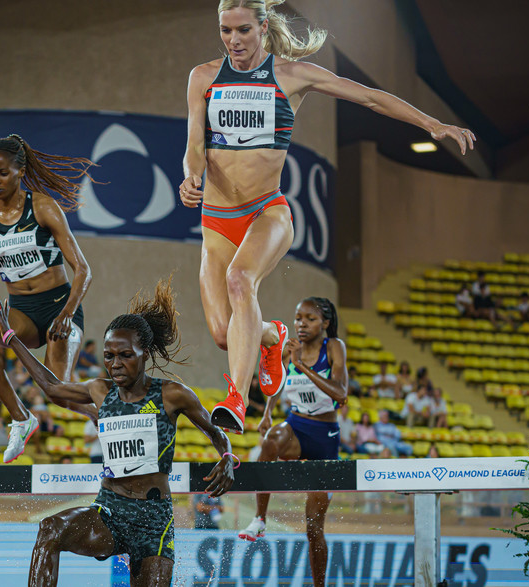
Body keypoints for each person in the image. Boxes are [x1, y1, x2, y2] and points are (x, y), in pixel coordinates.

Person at [182, 0, 475, 433]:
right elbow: (194, 140)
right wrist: (191, 174)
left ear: (263, 27)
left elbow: (371, 98)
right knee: (225, 333)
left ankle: (236, 400)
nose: (233, 41)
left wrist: (430, 123)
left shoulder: (292, 76)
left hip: (267, 211)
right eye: (225, 31)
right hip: (216, 219)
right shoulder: (204, 76)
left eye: (243, 30)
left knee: (240, 280)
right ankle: (273, 337)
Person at [0, 278, 234, 586]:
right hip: (109, 510)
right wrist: (12, 338)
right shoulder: (99, 390)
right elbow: (52, 386)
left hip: (153, 521)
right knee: (49, 529)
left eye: (125, 355)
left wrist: (227, 456)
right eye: (109, 355)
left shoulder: (173, 395)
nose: (115, 364)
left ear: (144, 354)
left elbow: (215, 431)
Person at [0, 133, 98, 463]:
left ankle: (108, 416)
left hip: (58, 307)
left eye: (2, 172)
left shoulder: (42, 207)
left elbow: (83, 269)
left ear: (20, 172)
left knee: (60, 392)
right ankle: (20, 417)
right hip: (21, 313)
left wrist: (68, 313)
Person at [237, 297, 347, 587]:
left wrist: (303, 366)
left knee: (313, 527)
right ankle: (260, 519)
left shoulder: (333, 347)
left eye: (309, 319)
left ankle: (319, 585)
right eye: (298, 318)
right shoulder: (290, 348)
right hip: (297, 427)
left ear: (325, 323)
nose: (301, 324)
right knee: (271, 440)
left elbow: (341, 394)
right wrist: (268, 413)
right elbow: (277, 380)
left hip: (325, 437)